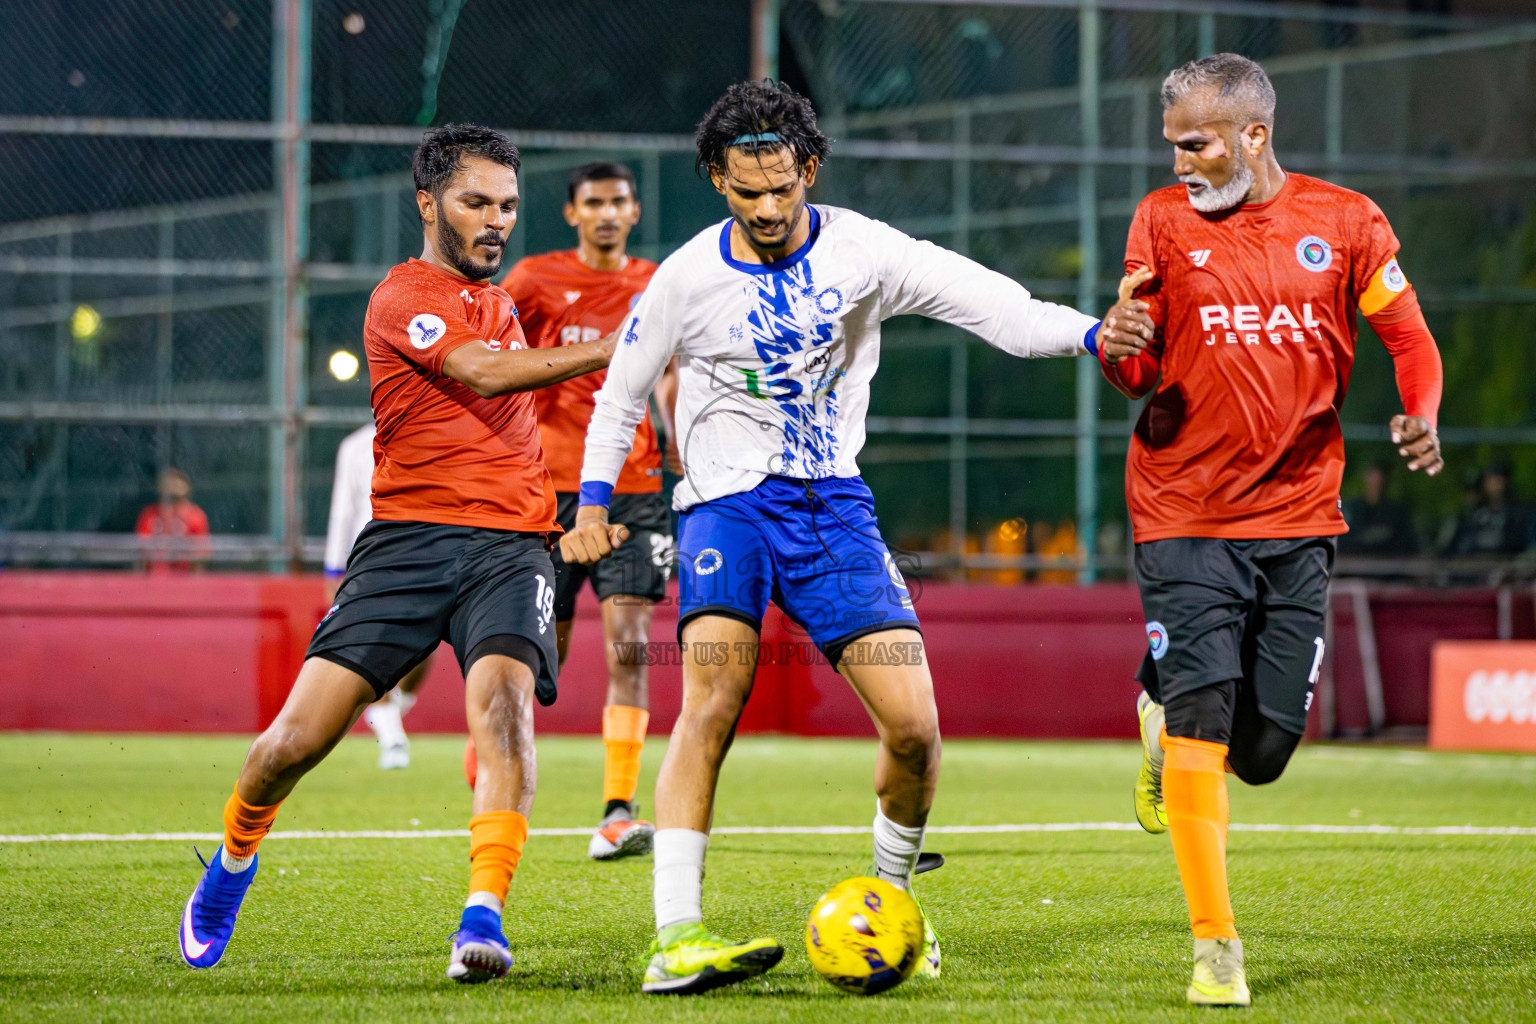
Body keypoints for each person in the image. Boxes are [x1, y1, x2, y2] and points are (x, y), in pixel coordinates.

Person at [562, 80, 1105, 995]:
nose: (768, 209)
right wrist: (589, 506)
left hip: (833, 511)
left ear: (810, 169)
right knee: (713, 697)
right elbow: (619, 398)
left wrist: (1093, 336)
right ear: (717, 180)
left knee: (915, 729)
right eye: (748, 191)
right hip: (725, 507)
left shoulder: (867, 251)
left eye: (784, 187)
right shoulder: (685, 278)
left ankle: (894, 901)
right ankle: (677, 936)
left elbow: (1001, 311)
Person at [176, 123, 615, 984]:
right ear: (428, 203)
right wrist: (615, 345)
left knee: (505, 713)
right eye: (476, 202)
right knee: (291, 745)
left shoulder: (503, 303)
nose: (496, 220)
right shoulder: (402, 295)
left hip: (514, 547)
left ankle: (482, 916)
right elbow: (484, 374)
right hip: (407, 546)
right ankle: (232, 859)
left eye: (508, 205)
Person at [1095, 53, 1444, 1007]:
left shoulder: (1347, 222)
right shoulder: (1162, 221)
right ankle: (1216, 949)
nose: (1179, 163)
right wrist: (1119, 349)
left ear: (1254, 136)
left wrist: (1421, 413)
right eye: (1172, 146)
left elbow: (1409, 339)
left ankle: (1157, 701)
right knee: (1206, 725)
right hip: (1182, 510)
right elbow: (1135, 369)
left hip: (1298, 517)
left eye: (1196, 145)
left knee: (1262, 753)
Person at [493, 162, 679, 861]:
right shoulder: (534, 279)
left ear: (634, 211)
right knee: (546, 651)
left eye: (618, 202)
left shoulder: (657, 283)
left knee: (629, 645)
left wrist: (680, 446)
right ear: (573, 213)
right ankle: (494, 754)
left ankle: (617, 811)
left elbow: (671, 377)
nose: (606, 213)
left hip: (635, 488)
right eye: (593, 202)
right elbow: (497, 358)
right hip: (550, 492)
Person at [324, 421, 436, 770]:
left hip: (425, 550)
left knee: (426, 645)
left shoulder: (431, 433)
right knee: (381, 643)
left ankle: (388, 714)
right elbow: (343, 509)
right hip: (373, 554)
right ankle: (392, 738)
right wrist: (334, 569)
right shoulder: (356, 445)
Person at [1443, 462, 1531, 557]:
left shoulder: (1518, 515)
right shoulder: (1474, 516)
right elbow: (1456, 547)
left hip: (1506, 562)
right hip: (1474, 562)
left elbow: (1524, 545)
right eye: (1491, 480)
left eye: (1498, 480)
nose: (1494, 485)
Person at [135, 467, 210, 572]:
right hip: (155, 577)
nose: (173, 503)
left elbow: (200, 555)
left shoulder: (196, 516)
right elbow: (141, 550)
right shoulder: (150, 514)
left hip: (185, 577)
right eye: (169, 497)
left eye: (177, 497)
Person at [1340, 461, 1419, 557]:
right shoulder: (1353, 509)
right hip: (1357, 561)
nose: (1375, 483)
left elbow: (1406, 543)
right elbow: (1345, 541)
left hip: (1390, 563)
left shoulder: (1395, 512)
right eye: (1373, 478)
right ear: (1366, 479)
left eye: (1379, 479)